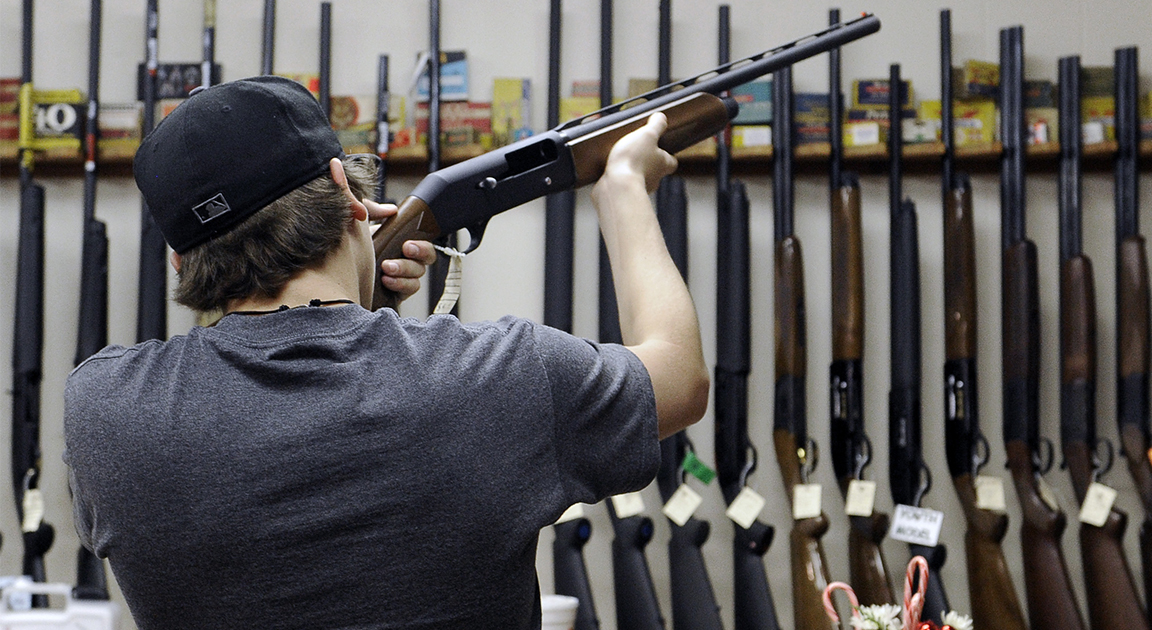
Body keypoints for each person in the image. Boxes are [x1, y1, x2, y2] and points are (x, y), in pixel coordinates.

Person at [63, 76, 707, 629]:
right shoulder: (498, 377)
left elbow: (277, 407)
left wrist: (362, 308)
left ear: (180, 260)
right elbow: (679, 375)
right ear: (348, 193)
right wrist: (622, 190)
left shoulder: (104, 411)